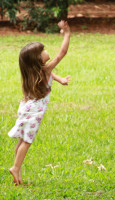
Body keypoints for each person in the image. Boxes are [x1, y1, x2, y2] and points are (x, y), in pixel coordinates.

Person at [8, 20, 71, 186]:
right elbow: (62, 53)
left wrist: (60, 80)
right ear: (37, 58)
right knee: (27, 141)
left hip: (26, 107)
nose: (46, 51)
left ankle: (17, 170)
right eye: (42, 50)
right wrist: (67, 33)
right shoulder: (45, 70)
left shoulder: (33, 73)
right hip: (35, 111)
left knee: (22, 140)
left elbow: (49, 73)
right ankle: (15, 167)